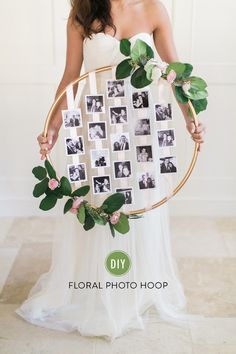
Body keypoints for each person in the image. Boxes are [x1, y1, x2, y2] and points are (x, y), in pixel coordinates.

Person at [18, 0, 206, 340]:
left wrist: (191, 119)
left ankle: (135, 287)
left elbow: (177, 74)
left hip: (143, 129)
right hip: (98, 129)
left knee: (140, 206)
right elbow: (70, 78)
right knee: (102, 203)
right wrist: (54, 127)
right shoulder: (82, 13)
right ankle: (98, 289)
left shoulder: (153, 10)